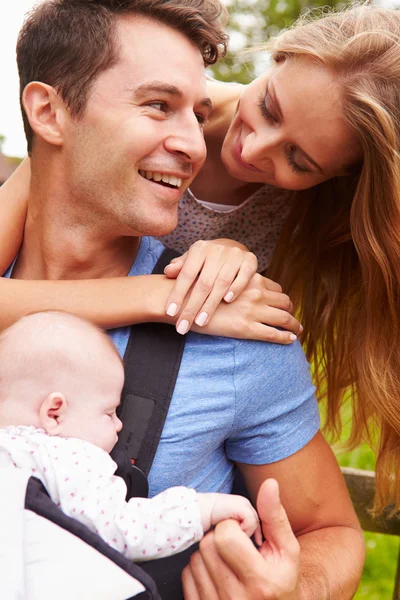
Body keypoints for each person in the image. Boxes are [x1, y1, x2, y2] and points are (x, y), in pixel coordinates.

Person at [2, 0, 365, 598]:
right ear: (48, 111)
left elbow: (333, 531)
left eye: (198, 114)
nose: (199, 146)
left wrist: (293, 588)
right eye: (157, 105)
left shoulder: (235, 326)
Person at [0, 310, 262, 561]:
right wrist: (204, 509)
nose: (119, 425)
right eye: (110, 412)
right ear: (55, 413)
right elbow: (122, 530)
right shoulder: (67, 458)